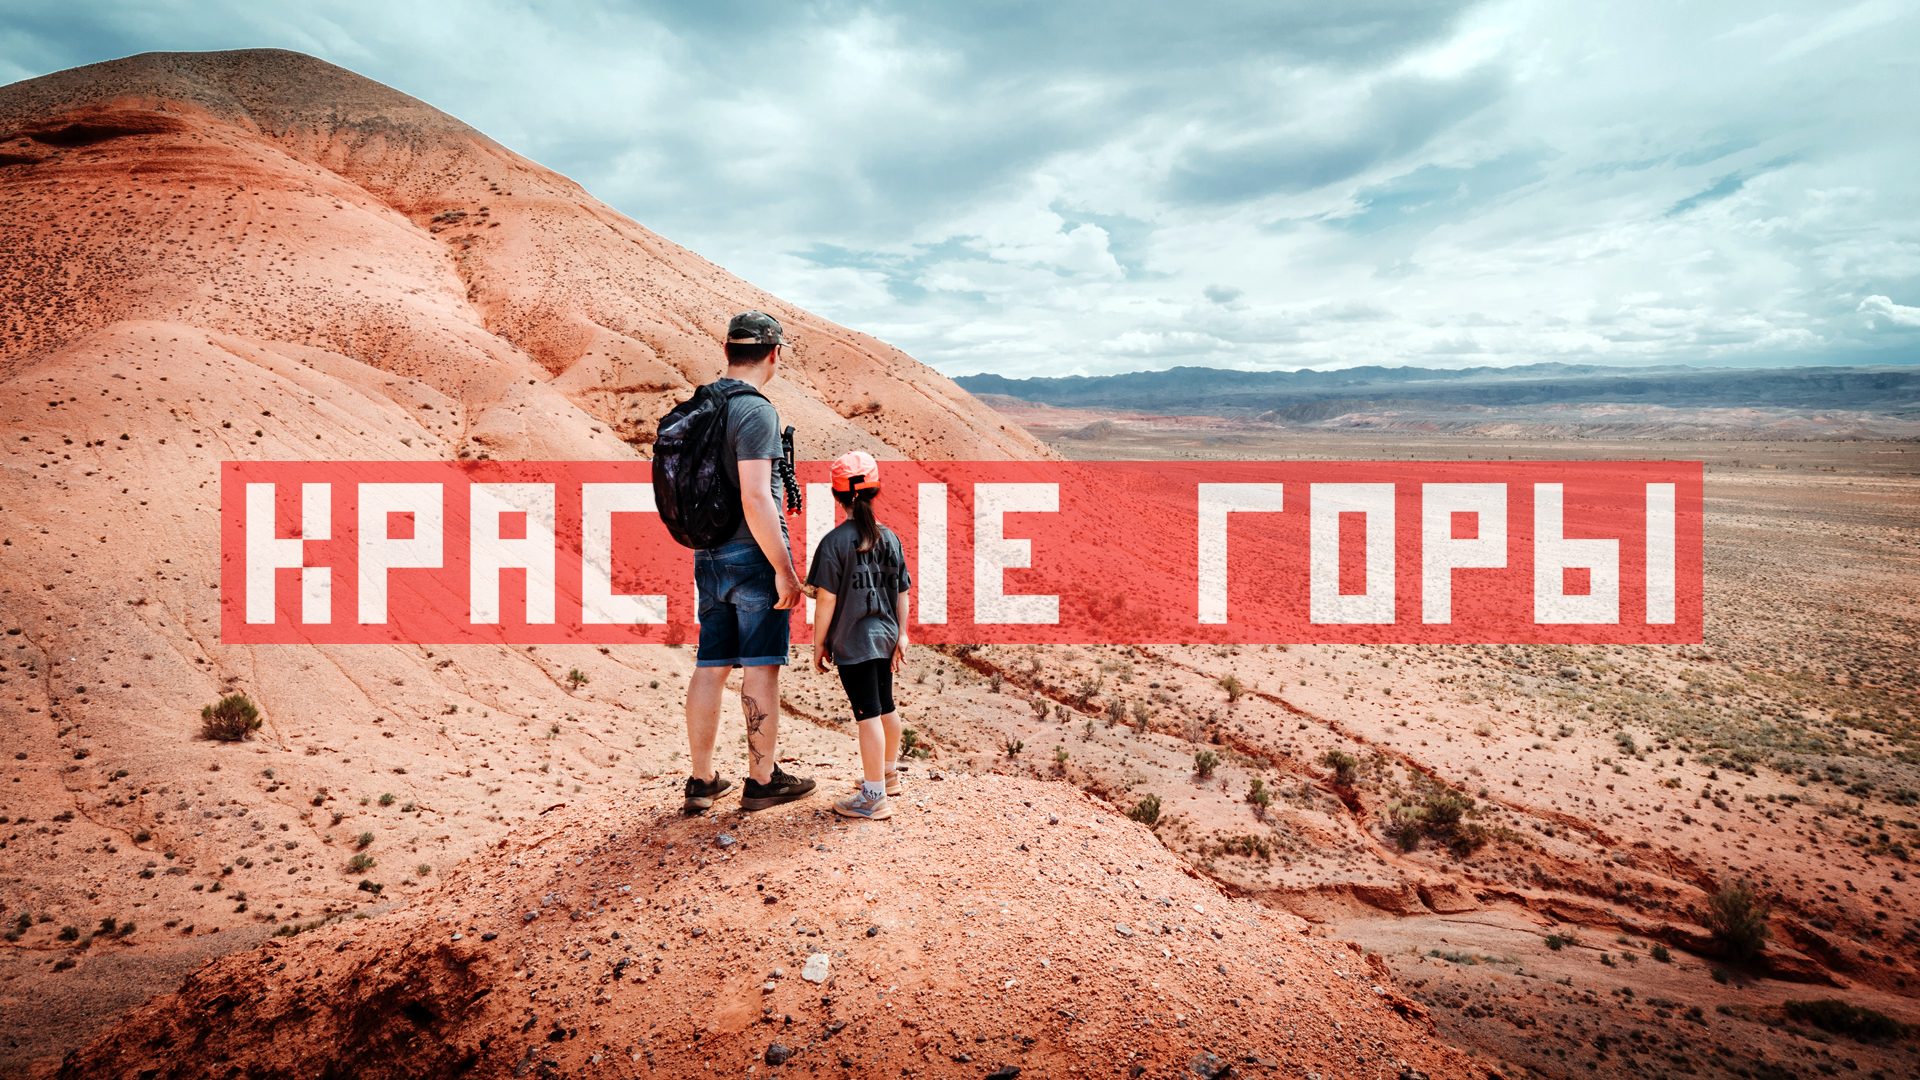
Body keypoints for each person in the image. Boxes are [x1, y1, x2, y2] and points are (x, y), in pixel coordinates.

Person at [683, 311, 816, 814]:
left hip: (708, 553)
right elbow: (758, 497)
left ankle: (701, 781)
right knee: (760, 668)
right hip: (752, 553)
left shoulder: (702, 405)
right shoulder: (755, 411)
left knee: (711, 664)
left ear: (726, 352)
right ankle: (762, 779)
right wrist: (784, 569)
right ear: (774, 354)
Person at [808, 451, 911, 820]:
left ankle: (873, 797)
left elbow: (826, 601)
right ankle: (888, 774)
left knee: (867, 714)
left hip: (854, 640)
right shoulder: (890, 538)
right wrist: (902, 635)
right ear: (875, 491)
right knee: (885, 706)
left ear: (838, 496)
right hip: (885, 635)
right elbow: (902, 591)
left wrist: (819, 642)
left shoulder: (834, 543)